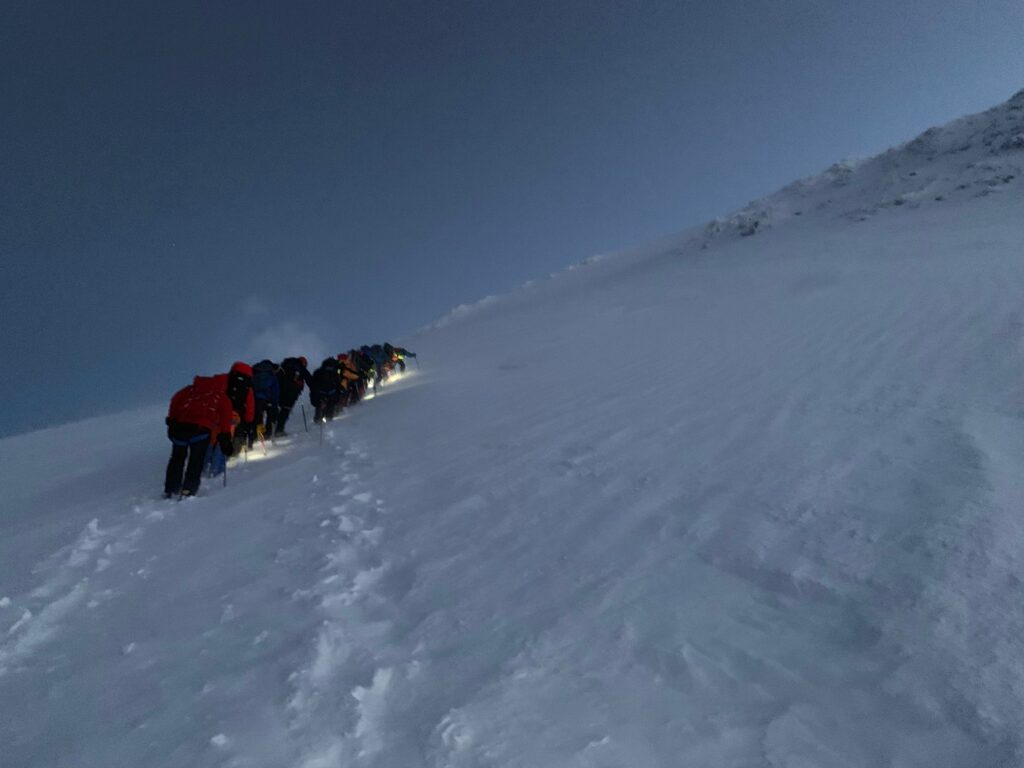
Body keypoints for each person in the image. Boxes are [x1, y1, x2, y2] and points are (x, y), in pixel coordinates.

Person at [164, 373, 237, 498]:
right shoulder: (221, 397)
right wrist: (225, 438)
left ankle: (171, 489)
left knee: (177, 458)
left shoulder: (189, 390)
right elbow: (226, 419)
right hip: (201, 430)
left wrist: (172, 421)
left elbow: (175, 401)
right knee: (196, 460)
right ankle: (188, 489)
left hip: (180, 428)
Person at [275, 356, 313, 435]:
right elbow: (310, 380)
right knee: (285, 410)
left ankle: (272, 429)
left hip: (280, 390)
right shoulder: (301, 368)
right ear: (304, 363)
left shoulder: (285, 365)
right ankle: (279, 430)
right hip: (291, 392)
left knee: (280, 409)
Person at [225, 361, 255, 453]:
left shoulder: (227, 380)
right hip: (238, 414)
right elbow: (250, 405)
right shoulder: (247, 386)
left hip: (223, 412)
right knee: (238, 432)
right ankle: (233, 454)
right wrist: (248, 419)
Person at [250, 359, 280, 444]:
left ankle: (257, 435)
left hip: (254, 398)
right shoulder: (271, 373)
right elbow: (275, 390)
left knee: (258, 417)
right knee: (271, 415)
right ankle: (265, 435)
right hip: (266, 398)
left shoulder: (254, 371)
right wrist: (274, 403)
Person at [310, 357, 343, 423]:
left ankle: (318, 419)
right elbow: (338, 382)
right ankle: (328, 418)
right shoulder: (335, 371)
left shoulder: (318, 371)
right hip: (331, 392)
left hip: (320, 392)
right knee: (331, 404)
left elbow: (313, 382)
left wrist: (313, 391)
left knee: (320, 404)